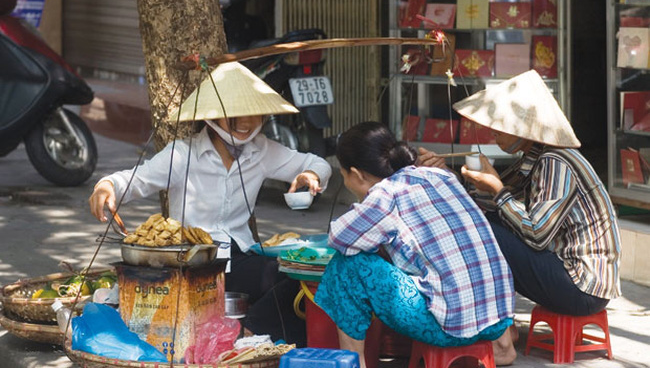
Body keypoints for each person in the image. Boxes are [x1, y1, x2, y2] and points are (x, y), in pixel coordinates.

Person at [89, 62, 332, 346]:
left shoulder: (262, 150)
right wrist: (107, 186)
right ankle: (248, 337)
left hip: (239, 257)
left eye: (255, 114)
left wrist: (310, 175)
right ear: (212, 117)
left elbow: (318, 163)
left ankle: (248, 335)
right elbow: (137, 179)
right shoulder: (183, 154)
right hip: (193, 263)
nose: (246, 122)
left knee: (300, 278)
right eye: (236, 114)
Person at [419, 70, 621, 320]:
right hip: (572, 279)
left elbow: (536, 235)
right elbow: (488, 203)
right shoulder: (534, 158)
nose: (495, 133)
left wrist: (496, 189)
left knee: (479, 231)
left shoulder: (555, 161)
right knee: (478, 221)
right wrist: (448, 174)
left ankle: (490, 323)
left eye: (501, 128)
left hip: (583, 288)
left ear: (525, 129)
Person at [314, 121, 516, 367]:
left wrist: (362, 206)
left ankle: (354, 363)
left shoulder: (385, 195)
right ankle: (504, 346)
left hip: (451, 328)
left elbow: (339, 237)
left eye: (344, 176)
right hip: (498, 321)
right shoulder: (440, 174)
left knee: (346, 266)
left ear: (356, 174)